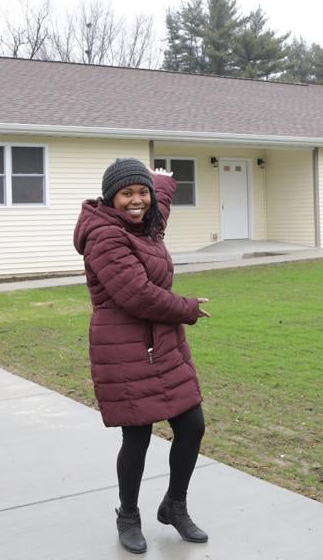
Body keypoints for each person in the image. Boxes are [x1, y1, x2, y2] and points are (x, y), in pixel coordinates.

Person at [72, 158, 211, 554]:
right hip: (124, 346)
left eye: (142, 192)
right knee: (137, 435)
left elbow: (156, 209)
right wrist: (186, 308)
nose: (137, 200)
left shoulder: (145, 225)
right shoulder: (105, 237)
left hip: (163, 342)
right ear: (110, 198)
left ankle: (174, 505)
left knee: (192, 425)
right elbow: (137, 295)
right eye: (127, 193)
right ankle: (128, 516)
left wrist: (161, 182)